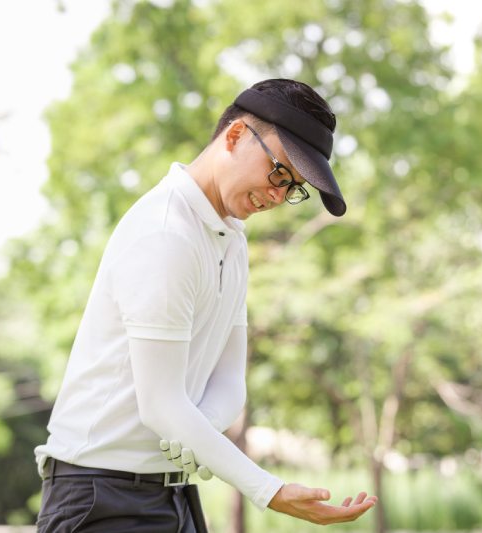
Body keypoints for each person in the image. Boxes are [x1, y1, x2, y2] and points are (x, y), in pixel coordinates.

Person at [34, 78, 377, 532]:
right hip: (101, 498)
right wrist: (268, 490)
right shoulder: (165, 233)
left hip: (171, 493)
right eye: (278, 172)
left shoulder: (231, 240)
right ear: (234, 136)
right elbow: (160, 404)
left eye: (293, 188)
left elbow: (231, 380)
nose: (278, 196)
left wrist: (196, 433)